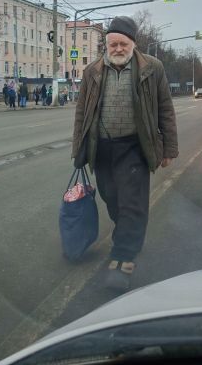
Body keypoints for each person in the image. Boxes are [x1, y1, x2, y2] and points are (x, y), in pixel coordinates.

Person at [72, 16, 178, 292]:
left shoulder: (152, 68)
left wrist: (169, 148)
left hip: (135, 146)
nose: (117, 48)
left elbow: (165, 108)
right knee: (112, 199)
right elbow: (82, 113)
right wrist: (79, 149)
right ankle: (126, 235)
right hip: (102, 147)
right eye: (113, 44)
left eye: (123, 43)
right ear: (106, 44)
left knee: (133, 203)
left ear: (133, 43)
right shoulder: (93, 71)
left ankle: (124, 256)